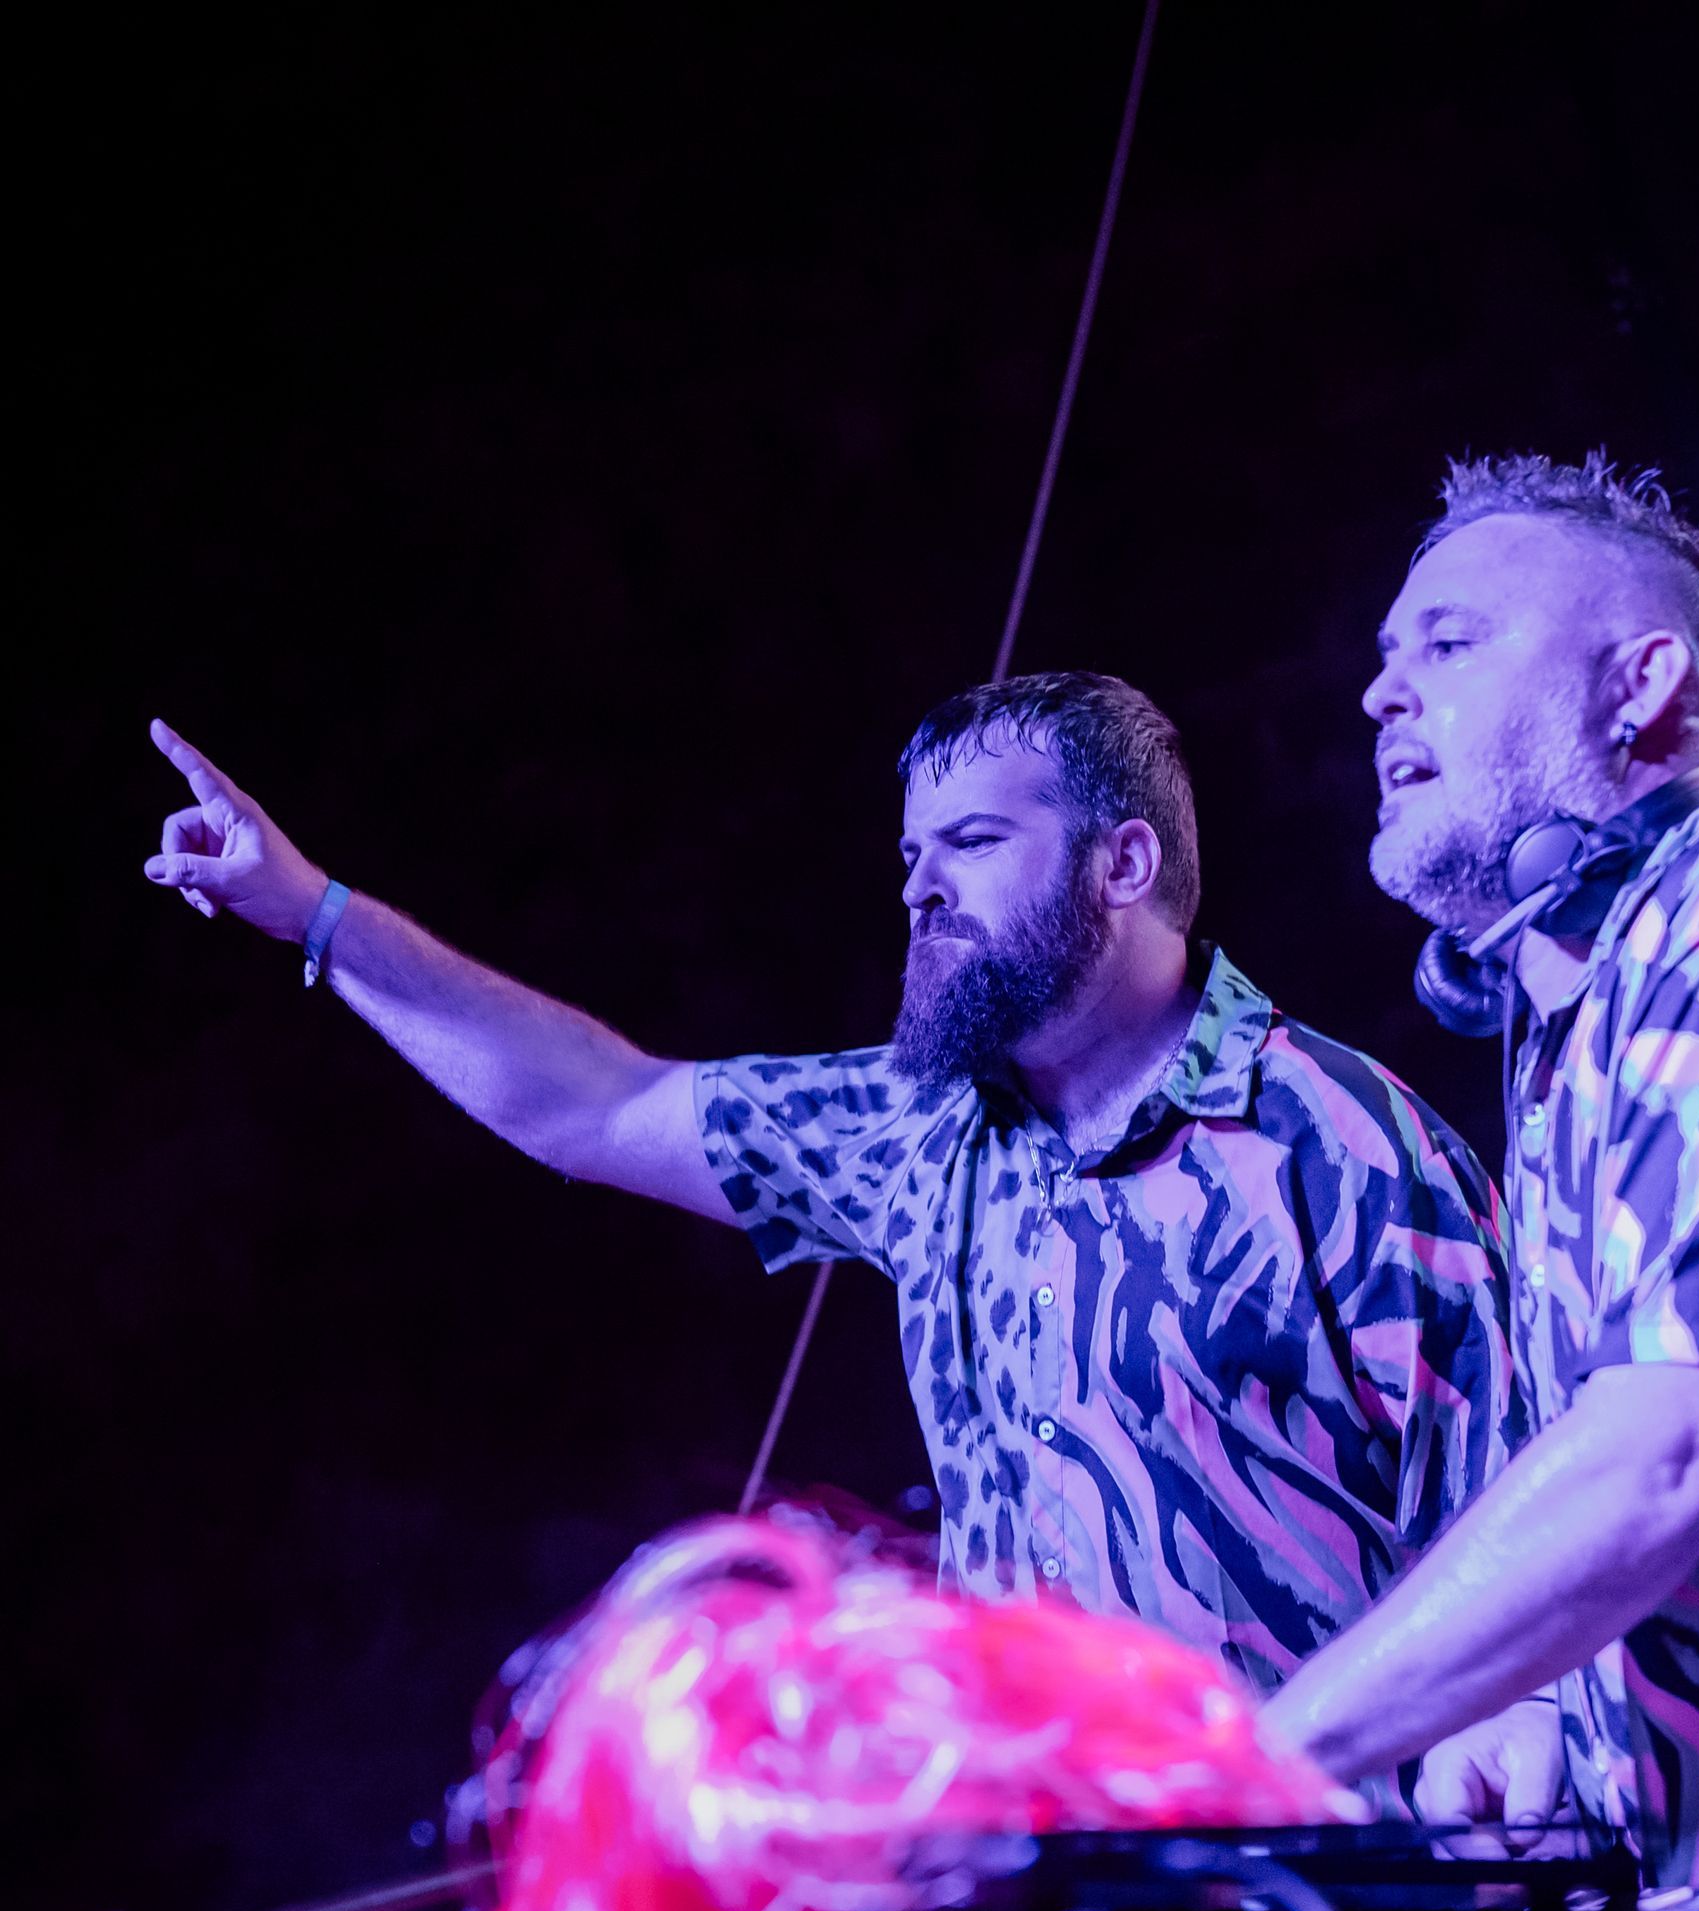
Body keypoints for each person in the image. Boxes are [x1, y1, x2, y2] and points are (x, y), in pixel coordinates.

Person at [146, 670, 1523, 1712]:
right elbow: (599, 1104)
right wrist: (315, 913)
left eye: (973, 843)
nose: (921, 889)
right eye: (911, 858)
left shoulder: (1337, 1146)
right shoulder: (916, 1135)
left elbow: (1532, 1542)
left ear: (1124, 862)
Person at [1259, 455, 1699, 1911]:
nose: (1378, 694)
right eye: (1384, 655)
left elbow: (1665, 1457)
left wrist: (1242, 1767)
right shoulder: (1578, 1024)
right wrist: (1546, 1701)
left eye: (1450, 642)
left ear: (1642, 686)